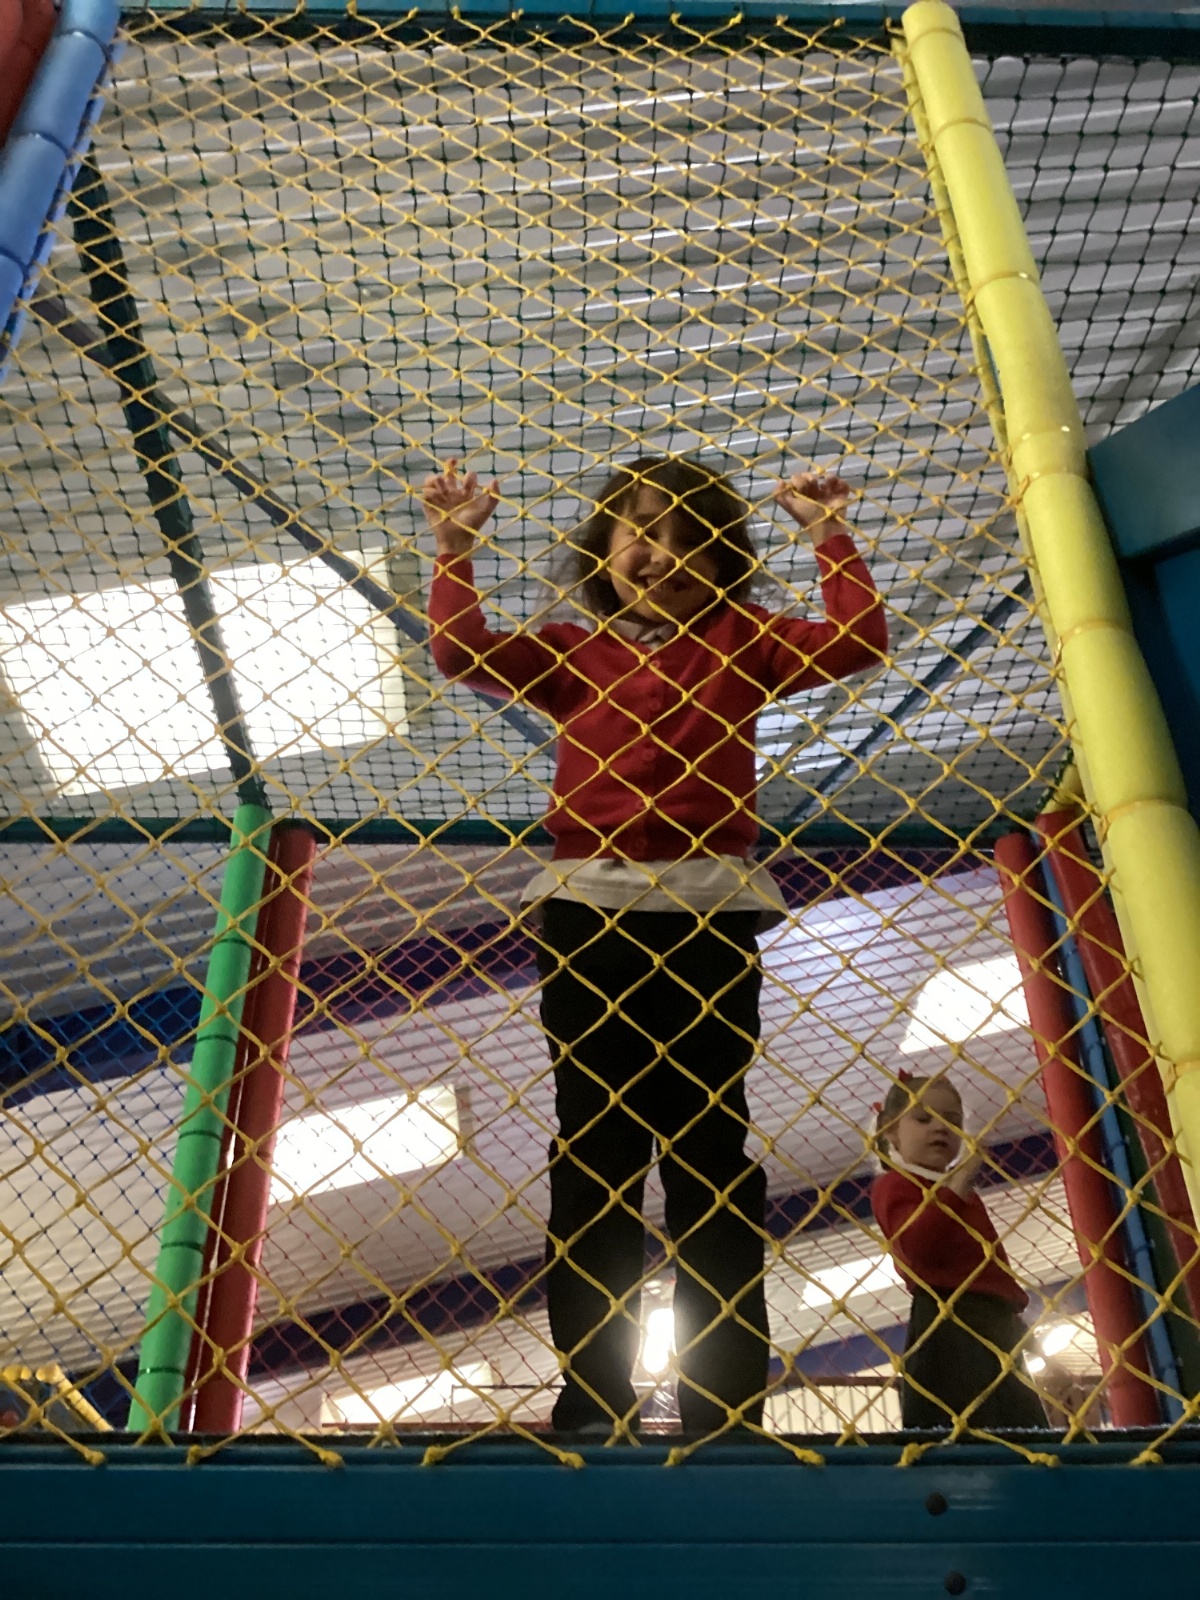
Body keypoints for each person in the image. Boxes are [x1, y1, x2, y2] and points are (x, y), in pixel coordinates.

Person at [424, 452, 887, 1436]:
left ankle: (726, 1395)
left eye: (690, 539)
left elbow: (859, 641)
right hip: (590, 919)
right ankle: (596, 1390)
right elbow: (460, 654)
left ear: (723, 564)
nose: (663, 552)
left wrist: (826, 534)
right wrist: (454, 550)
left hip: (709, 919)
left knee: (709, 1155)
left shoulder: (744, 638)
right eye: (641, 529)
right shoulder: (572, 651)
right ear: (604, 550)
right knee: (596, 1151)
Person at [872, 1071, 1046, 1432]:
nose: (940, 1128)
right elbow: (918, 1248)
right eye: (923, 1119)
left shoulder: (960, 1193)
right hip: (947, 1317)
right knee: (966, 1423)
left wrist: (1017, 1321)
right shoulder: (895, 1185)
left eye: (952, 1121)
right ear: (891, 1131)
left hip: (992, 1320)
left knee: (1020, 1422)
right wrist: (957, 1185)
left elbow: (991, 1264)